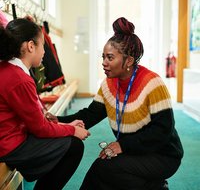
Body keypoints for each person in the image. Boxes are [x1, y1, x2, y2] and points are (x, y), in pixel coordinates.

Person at [47, 17, 184, 190]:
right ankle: (154, 186)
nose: (104, 63)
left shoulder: (152, 83)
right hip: (134, 151)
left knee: (106, 169)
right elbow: (89, 115)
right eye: (103, 57)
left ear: (128, 61)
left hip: (162, 154)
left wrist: (122, 145)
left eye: (110, 58)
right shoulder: (108, 85)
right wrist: (57, 120)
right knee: (104, 171)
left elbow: (162, 130)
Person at [0, 18, 90, 190]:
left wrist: (65, 125)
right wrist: (72, 130)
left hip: (10, 137)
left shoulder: (9, 69)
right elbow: (40, 129)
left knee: (67, 140)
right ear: (31, 46)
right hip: (9, 145)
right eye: (43, 45)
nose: (44, 51)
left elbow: (35, 117)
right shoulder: (19, 78)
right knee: (74, 146)